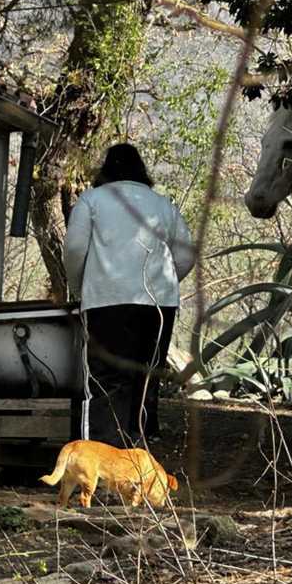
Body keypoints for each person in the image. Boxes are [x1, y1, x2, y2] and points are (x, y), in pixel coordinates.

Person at [64, 143, 195, 447]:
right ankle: (138, 462)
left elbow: (73, 248)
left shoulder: (92, 199)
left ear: (105, 170)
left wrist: (79, 286)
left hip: (106, 303)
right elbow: (186, 255)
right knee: (145, 381)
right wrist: (167, 283)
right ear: (142, 171)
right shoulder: (163, 204)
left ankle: (101, 457)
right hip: (158, 306)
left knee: (105, 381)